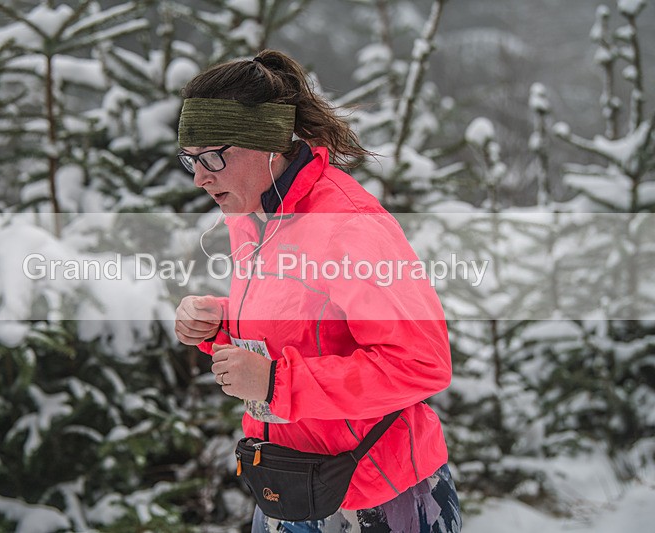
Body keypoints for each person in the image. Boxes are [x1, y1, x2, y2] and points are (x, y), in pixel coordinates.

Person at [174, 50, 461, 533]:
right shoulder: (252, 214)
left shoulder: (347, 224)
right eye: (190, 160)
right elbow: (306, 320)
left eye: (213, 157)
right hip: (287, 482)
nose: (201, 177)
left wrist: (275, 383)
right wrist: (219, 323)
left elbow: (421, 363)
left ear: (266, 142)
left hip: (374, 493)